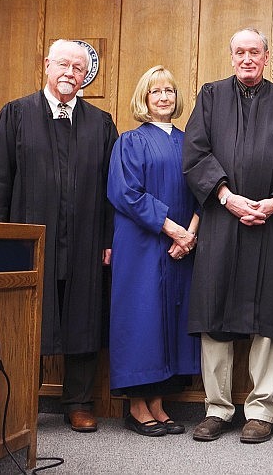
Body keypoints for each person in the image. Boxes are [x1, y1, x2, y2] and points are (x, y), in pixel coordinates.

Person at [0, 39, 118, 432]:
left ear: (85, 75)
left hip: (86, 239)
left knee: (82, 314)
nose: (69, 74)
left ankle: (78, 401)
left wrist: (109, 238)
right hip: (29, 239)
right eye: (63, 65)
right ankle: (20, 400)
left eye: (78, 68)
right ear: (46, 65)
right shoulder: (17, 114)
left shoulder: (100, 122)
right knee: (26, 317)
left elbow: (113, 189)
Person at [182, 28, 273, 444]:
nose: (247, 58)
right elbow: (195, 153)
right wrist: (227, 196)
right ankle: (217, 408)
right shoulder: (211, 96)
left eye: (255, 51)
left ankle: (261, 409)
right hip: (222, 219)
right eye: (240, 52)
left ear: (267, 56)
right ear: (231, 56)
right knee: (215, 312)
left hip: (271, 224)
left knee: (268, 316)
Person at [107, 66, 200, 437]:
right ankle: (136, 406)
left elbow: (204, 191)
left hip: (181, 246)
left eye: (169, 91)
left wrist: (189, 235)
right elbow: (125, 193)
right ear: (143, 99)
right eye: (155, 92)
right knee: (142, 318)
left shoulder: (190, 141)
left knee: (171, 320)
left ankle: (159, 403)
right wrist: (174, 230)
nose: (163, 97)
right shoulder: (129, 141)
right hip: (142, 244)